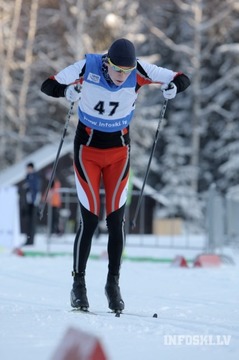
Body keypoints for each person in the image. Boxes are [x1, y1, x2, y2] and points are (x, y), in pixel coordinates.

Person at [41, 38, 190, 312]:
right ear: (106, 62)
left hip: (119, 154)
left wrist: (174, 87)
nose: (122, 76)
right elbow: (48, 84)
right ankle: (78, 285)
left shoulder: (139, 71)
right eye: (117, 70)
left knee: (116, 220)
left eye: (127, 71)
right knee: (89, 219)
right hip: (87, 150)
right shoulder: (89, 65)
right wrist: (65, 92)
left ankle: (113, 283)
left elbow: (181, 77)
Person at [22, 162, 41, 245]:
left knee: (32, 222)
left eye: (28, 168)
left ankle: (31, 240)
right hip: (28, 201)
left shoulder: (35, 177)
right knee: (28, 221)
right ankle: (28, 239)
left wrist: (35, 201)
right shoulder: (28, 176)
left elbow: (36, 190)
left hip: (33, 202)